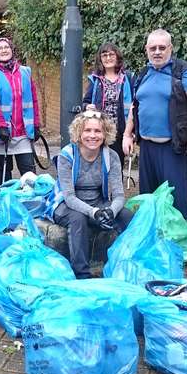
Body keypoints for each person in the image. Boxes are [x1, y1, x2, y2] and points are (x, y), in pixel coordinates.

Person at [122, 28, 187, 219]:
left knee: (174, 200)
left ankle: (176, 240)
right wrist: (128, 134)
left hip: (172, 148)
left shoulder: (183, 72)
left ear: (170, 48)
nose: (157, 52)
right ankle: (152, 237)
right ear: (146, 50)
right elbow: (135, 107)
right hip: (147, 148)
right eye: (153, 48)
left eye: (162, 47)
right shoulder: (143, 74)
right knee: (148, 197)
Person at [50, 111, 133, 279]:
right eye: (87, 130)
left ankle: (129, 265)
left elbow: (118, 195)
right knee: (78, 219)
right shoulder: (67, 156)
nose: (92, 136)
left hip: (97, 203)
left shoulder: (111, 156)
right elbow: (69, 197)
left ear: (105, 134)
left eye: (98, 131)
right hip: (67, 205)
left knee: (126, 215)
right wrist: (93, 212)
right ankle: (82, 275)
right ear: (79, 133)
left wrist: (111, 211)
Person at [0, 37, 42, 186]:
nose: (3, 50)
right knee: (4, 172)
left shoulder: (25, 72)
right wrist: (1, 126)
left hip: (23, 133)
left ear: (12, 50)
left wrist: (36, 124)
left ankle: (30, 203)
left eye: (6, 47)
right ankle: (5, 203)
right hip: (2, 133)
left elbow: (33, 100)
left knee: (29, 172)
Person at [82, 42, 133, 166]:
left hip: (119, 132)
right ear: (100, 59)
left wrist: (131, 132)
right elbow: (85, 102)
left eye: (111, 54)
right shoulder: (95, 80)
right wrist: (87, 107)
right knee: (97, 165)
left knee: (116, 165)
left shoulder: (127, 79)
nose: (108, 58)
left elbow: (134, 105)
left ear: (117, 57)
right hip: (99, 130)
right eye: (104, 55)